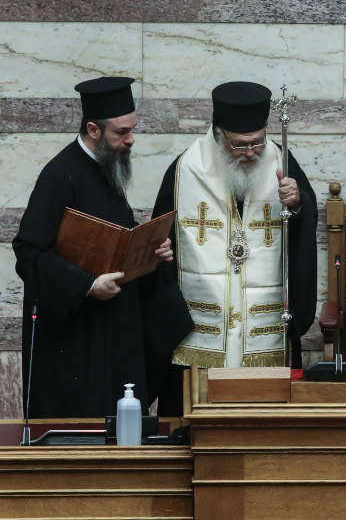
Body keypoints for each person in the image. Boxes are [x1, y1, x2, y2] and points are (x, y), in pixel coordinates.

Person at [150, 81, 317, 415]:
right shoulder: (187, 169)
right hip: (200, 329)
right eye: (241, 145)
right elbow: (158, 237)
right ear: (218, 133)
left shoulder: (280, 160)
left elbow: (304, 219)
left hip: (264, 326)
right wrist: (161, 251)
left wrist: (298, 204)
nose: (252, 152)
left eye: (258, 142)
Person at [13, 76, 173, 418]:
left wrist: (152, 252)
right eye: (121, 132)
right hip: (77, 341)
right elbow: (28, 254)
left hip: (114, 330)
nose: (131, 139)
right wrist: (87, 285)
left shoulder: (106, 167)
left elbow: (113, 240)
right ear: (94, 129)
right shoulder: (60, 175)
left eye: (132, 129)